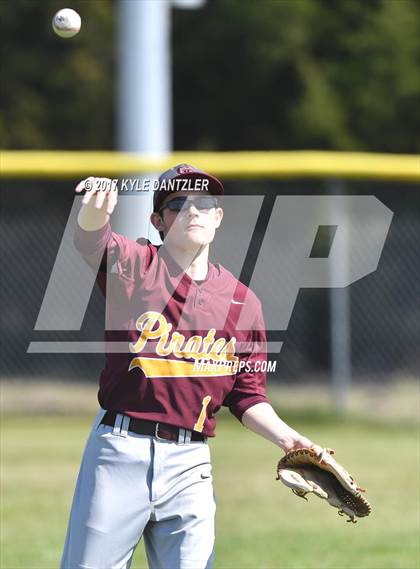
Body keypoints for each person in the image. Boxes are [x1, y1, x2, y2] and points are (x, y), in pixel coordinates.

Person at [60, 164, 318, 569]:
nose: (193, 211)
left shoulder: (242, 303)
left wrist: (289, 439)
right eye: (178, 203)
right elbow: (92, 237)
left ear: (218, 217)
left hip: (190, 464)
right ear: (158, 221)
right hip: (118, 453)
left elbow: (247, 397)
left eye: (204, 202)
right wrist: (95, 205)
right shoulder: (135, 266)